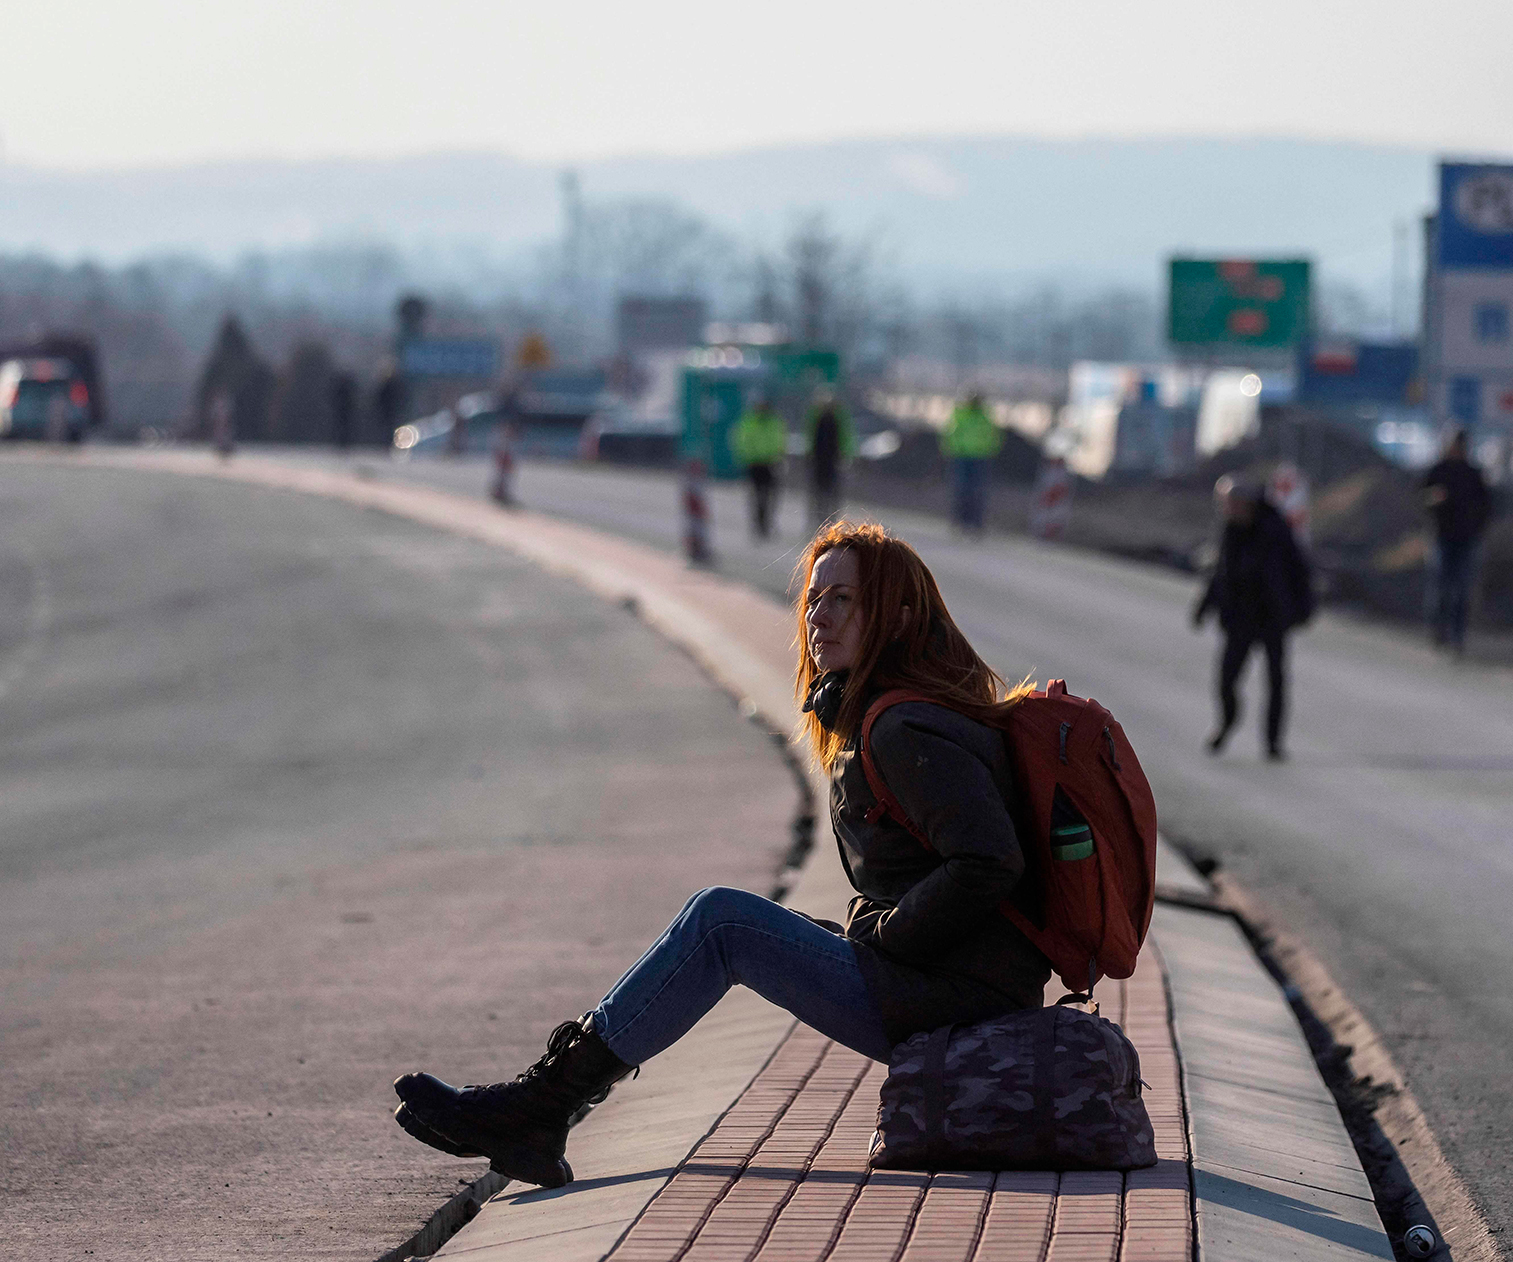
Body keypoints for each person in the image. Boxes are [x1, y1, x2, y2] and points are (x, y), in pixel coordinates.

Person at [391, 522, 1051, 1189]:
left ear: (900, 618)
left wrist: (887, 934)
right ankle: (544, 1105)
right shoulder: (897, 713)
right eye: (814, 599)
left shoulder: (905, 727)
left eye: (843, 600)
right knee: (719, 925)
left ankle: (542, 1106)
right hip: (945, 983)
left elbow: (990, 862)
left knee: (723, 922)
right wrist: (877, 933)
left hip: (959, 1001)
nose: (818, 617)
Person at [1192, 476, 1313, 761]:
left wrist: (1302, 610)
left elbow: (1299, 572)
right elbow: (1220, 573)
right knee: (1226, 681)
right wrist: (1204, 606)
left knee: (1276, 683)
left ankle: (1273, 743)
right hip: (1239, 619)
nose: (1229, 510)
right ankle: (1227, 721)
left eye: (1233, 505)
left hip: (1272, 618)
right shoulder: (1230, 532)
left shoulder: (1276, 530)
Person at [1419, 430, 1492, 653]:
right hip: (1442, 536)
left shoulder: (1473, 474)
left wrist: (1478, 527)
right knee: (1440, 587)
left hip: (1467, 540)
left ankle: (1458, 636)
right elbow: (1422, 497)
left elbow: (1487, 506)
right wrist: (1435, 498)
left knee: (1461, 591)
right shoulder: (1438, 471)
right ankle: (1438, 631)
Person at [941, 393, 1002, 533]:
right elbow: (950, 434)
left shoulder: (985, 417)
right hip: (962, 457)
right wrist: (952, 450)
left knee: (977, 492)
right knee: (961, 491)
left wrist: (990, 450)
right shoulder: (960, 415)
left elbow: (994, 436)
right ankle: (960, 522)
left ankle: (975, 524)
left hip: (980, 458)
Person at [731, 397, 788, 540]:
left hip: (770, 462)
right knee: (757, 495)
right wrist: (746, 456)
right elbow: (741, 440)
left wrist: (779, 456)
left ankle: (766, 523)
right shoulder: (749, 422)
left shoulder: (774, 422)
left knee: (770, 496)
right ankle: (759, 524)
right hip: (754, 463)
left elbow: (781, 440)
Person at [808, 391, 856, 527]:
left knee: (832, 492)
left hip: (833, 460)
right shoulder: (816, 417)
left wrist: (845, 455)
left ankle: (832, 520)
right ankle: (819, 519)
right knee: (818, 492)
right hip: (819, 460)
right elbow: (811, 437)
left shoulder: (839, 418)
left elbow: (845, 437)